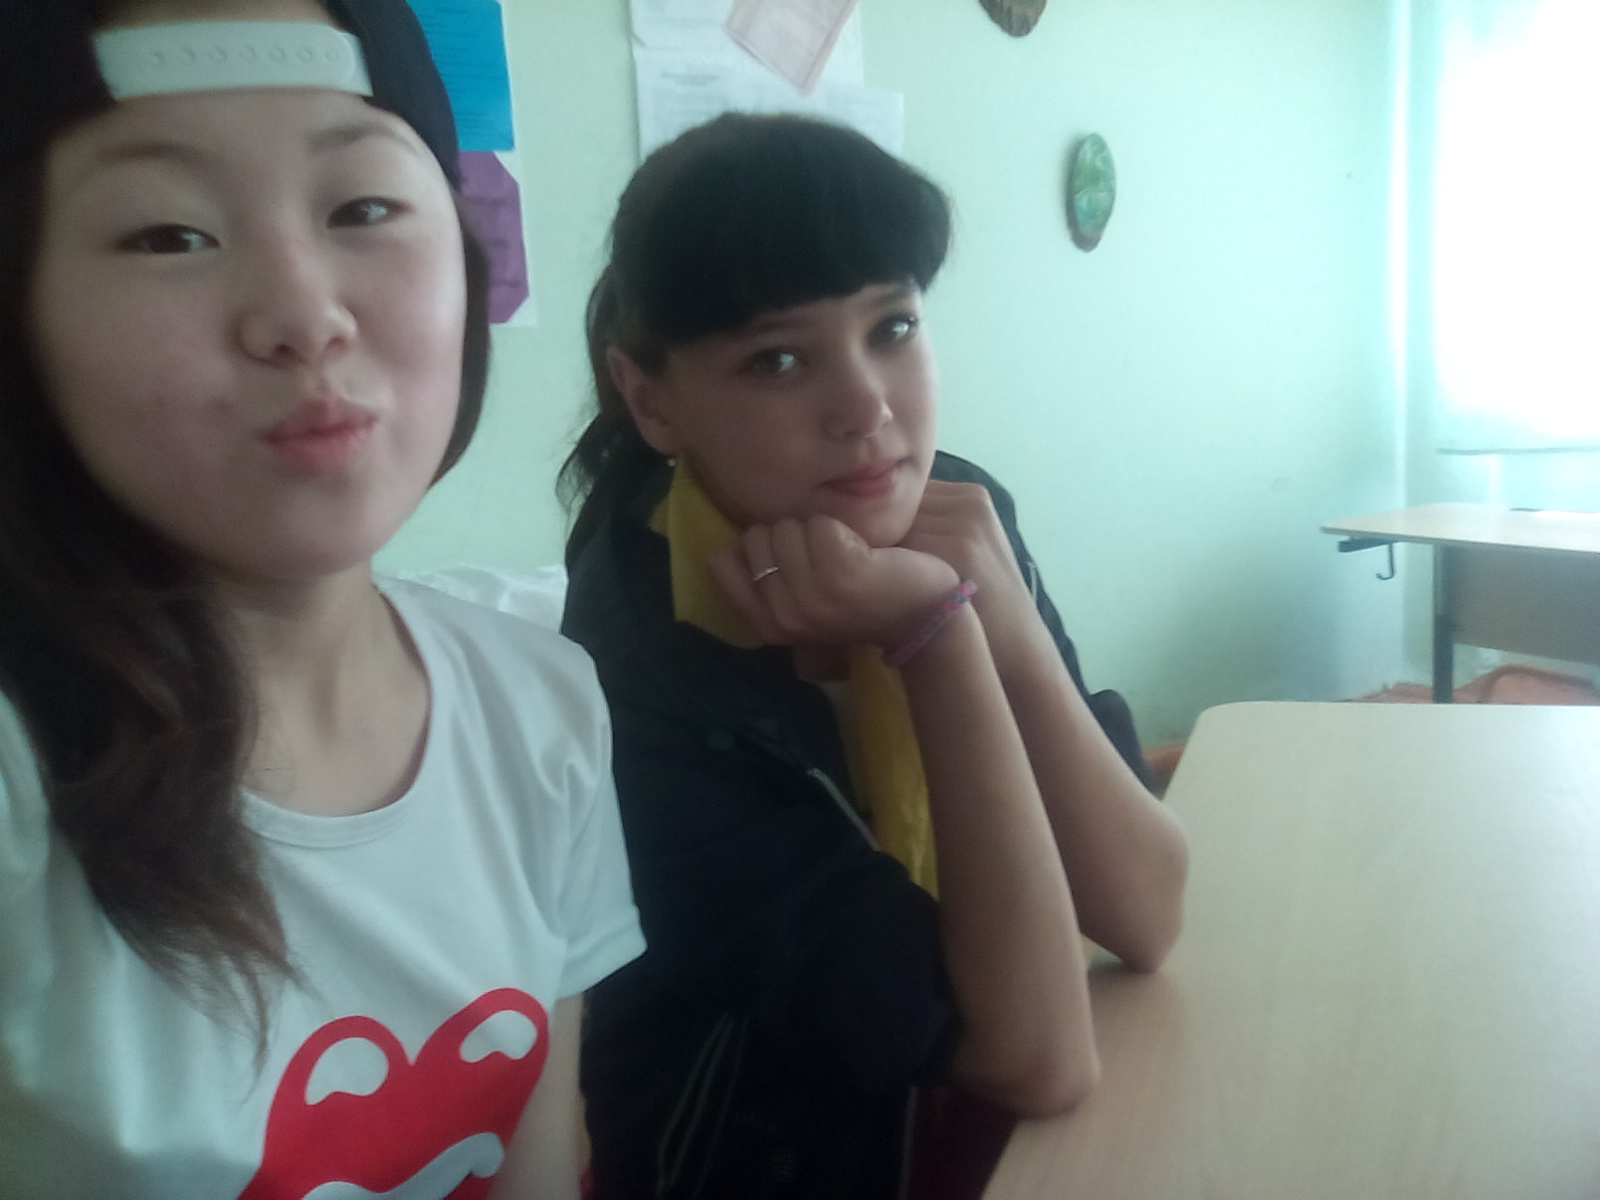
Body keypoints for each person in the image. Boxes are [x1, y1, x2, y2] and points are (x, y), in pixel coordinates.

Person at [0, 2, 643, 1197]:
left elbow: (539, 1162)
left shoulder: (542, 706)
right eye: (167, 233)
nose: (303, 317)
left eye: (362, 209)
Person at [561, 113, 1190, 1200]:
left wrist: (1005, 625)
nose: (867, 408)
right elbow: (1035, 1056)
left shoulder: (954, 510)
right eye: (779, 358)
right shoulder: (629, 689)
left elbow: (1144, 911)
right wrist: (937, 634)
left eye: (892, 326)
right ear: (652, 400)